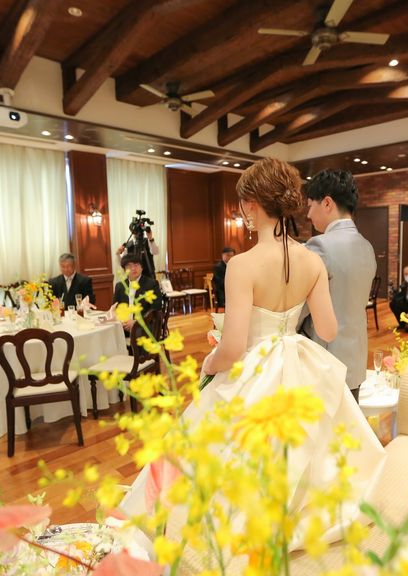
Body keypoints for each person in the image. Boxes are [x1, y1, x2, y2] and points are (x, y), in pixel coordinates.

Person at [120, 158, 385, 550]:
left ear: (251, 205)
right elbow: (329, 330)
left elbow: (232, 348)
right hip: (300, 362)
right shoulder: (312, 260)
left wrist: (209, 364)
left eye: (242, 203)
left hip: (255, 369)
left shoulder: (242, 265)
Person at [299, 169, 376, 402]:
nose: (308, 215)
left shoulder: (319, 246)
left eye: (310, 206)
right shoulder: (367, 246)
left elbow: (301, 305)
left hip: (324, 360)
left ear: (327, 203)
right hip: (355, 358)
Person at [113, 254, 162, 333]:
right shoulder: (120, 286)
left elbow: (155, 309)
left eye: (136, 265)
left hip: (144, 327)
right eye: (129, 266)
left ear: (141, 267)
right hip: (123, 326)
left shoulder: (152, 284)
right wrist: (122, 321)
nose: (133, 268)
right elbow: (116, 308)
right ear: (124, 270)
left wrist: (136, 323)